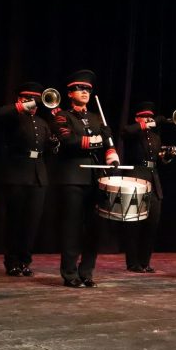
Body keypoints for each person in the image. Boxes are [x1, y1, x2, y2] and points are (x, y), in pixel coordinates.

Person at [50, 70, 119, 288]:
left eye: (88, 89)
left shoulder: (97, 118)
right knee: (72, 227)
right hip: (73, 177)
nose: (85, 92)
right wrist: (98, 140)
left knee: (94, 227)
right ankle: (70, 273)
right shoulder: (63, 116)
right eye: (80, 89)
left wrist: (111, 152)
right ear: (70, 93)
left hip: (95, 177)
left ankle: (86, 272)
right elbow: (68, 141)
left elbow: (107, 146)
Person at [0, 81, 57, 277]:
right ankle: (12, 261)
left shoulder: (42, 122)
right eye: (28, 99)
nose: (33, 103)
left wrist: (55, 143)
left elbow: (50, 148)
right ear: (20, 100)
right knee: (14, 220)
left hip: (38, 175)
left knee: (32, 222)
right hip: (17, 173)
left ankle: (25, 261)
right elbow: (0, 113)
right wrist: (23, 106)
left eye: (36, 100)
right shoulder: (12, 118)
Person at [119, 101, 175, 273]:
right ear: (137, 118)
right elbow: (124, 132)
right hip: (136, 177)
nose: (149, 120)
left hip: (153, 179)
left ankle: (145, 262)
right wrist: (148, 123)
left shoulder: (155, 137)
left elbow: (158, 160)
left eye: (151, 117)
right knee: (134, 224)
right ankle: (132, 262)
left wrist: (166, 156)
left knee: (152, 222)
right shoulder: (133, 132)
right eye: (145, 117)